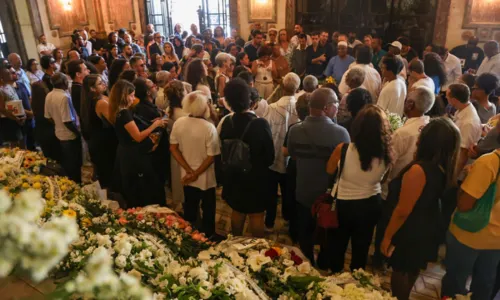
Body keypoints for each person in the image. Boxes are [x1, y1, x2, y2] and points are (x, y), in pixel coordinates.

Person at [381, 117, 460, 300]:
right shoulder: (444, 166)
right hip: (427, 226)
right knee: (412, 268)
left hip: (411, 229)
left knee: (401, 270)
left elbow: (403, 210)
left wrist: (387, 237)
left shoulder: (419, 170)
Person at [287, 87, 349, 263]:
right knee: (326, 230)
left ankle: (307, 260)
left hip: (303, 189)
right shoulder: (340, 133)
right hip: (327, 194)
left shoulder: (295, 130)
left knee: (304, 229)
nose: (338, 108)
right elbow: (344, 163)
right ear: (327, 107)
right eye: (336, 104)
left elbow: (293, 154)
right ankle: (323, 260)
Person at [327, 104, 390, 273]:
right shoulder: (387, 153)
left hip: (344, 204)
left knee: (338, 245)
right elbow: (383, 179)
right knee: (361, 247)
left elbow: (330, 170)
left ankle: (334, 277)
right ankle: (356, 279)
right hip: (371, 203)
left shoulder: (344, 149)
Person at [441, 143, 500, 300]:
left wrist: (467, 178)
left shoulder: (489, 162)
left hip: (468, 234)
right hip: (496, 241)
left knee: (455, 285)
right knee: (484, 286)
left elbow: (464, 205)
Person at [218, 78, 274, 237]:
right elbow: (270, 157)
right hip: (256, 177)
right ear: (248, 99)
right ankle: (256, 248)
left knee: (237, 210)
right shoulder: (260, 124)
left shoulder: (227, 121)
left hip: (234, 175)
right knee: (256, 214)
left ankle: (235, 241)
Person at [109, 79, 167, 208]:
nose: (133, 98)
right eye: (131, 95)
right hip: (133, 154)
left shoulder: (119, 111)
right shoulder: (123, 113)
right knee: (140, 185)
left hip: (126, 151)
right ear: (124, 95)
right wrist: (155, 125)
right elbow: (138, 136)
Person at [170, 91, 220, 238]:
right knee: (208, 209)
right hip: (205, 177)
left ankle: (190, 235)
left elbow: (173, 148)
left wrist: (188, 171)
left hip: (186, 175)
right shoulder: (208, 127)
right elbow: (211, 157)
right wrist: (196, 174)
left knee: (190, 206)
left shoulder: (179, 123)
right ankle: (208, 236)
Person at [262, 73, 300, 231]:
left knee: (271, 193)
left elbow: (265, 132)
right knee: (289, 190)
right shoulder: (300, 107)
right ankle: (287, 218)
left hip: (273, 155)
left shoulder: (272, 108)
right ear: (297, 88)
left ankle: (269, 222)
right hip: (291, 158)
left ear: (283, 87)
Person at [80, 74, 117, 188]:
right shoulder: (100, 103)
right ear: (92, 88)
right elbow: (115, 121)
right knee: (109, 175)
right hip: (104, 144)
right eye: (100, 83)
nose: (104, 84)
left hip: (99, 142)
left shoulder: (96, 99)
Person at [44, 73, 82, 182]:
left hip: (59, 133)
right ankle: (76, 183)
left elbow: (48, 117)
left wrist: (57, 123)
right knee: (74, 163)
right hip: (70, 135)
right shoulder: (64, 97)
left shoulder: (49, 95)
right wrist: (78, 133)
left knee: (67, 160)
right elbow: (68, 121)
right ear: (64, 82)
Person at [31, 81, 61, 160]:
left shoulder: (34, 102)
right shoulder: (49, 101)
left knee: (48, 157)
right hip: (51, 131)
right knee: (57, 156)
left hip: (40, 131)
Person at [0, 66, 25, 148]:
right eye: (7, 74)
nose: (10, 75)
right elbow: (2, 109)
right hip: (8, 120)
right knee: (15, 145)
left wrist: (22, 115)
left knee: (22, 142)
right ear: (1, 76)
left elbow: (16, 101)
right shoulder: (1, 90)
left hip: (18, 117)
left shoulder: (9, 86)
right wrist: (15, 118)